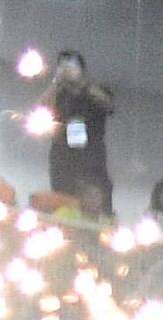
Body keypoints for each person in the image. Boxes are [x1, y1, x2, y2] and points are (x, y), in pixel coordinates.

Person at [42, 53, 114, 219]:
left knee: (98, 209)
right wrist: (56, 82)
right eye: (63, 66)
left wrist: (81, 83)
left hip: (92, 163)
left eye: (71, 66)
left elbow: (108, 104)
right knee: (63, 208)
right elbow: (41, 110)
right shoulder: (58, 94)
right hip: (64, 162)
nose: (67, 69)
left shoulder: (95, 90)